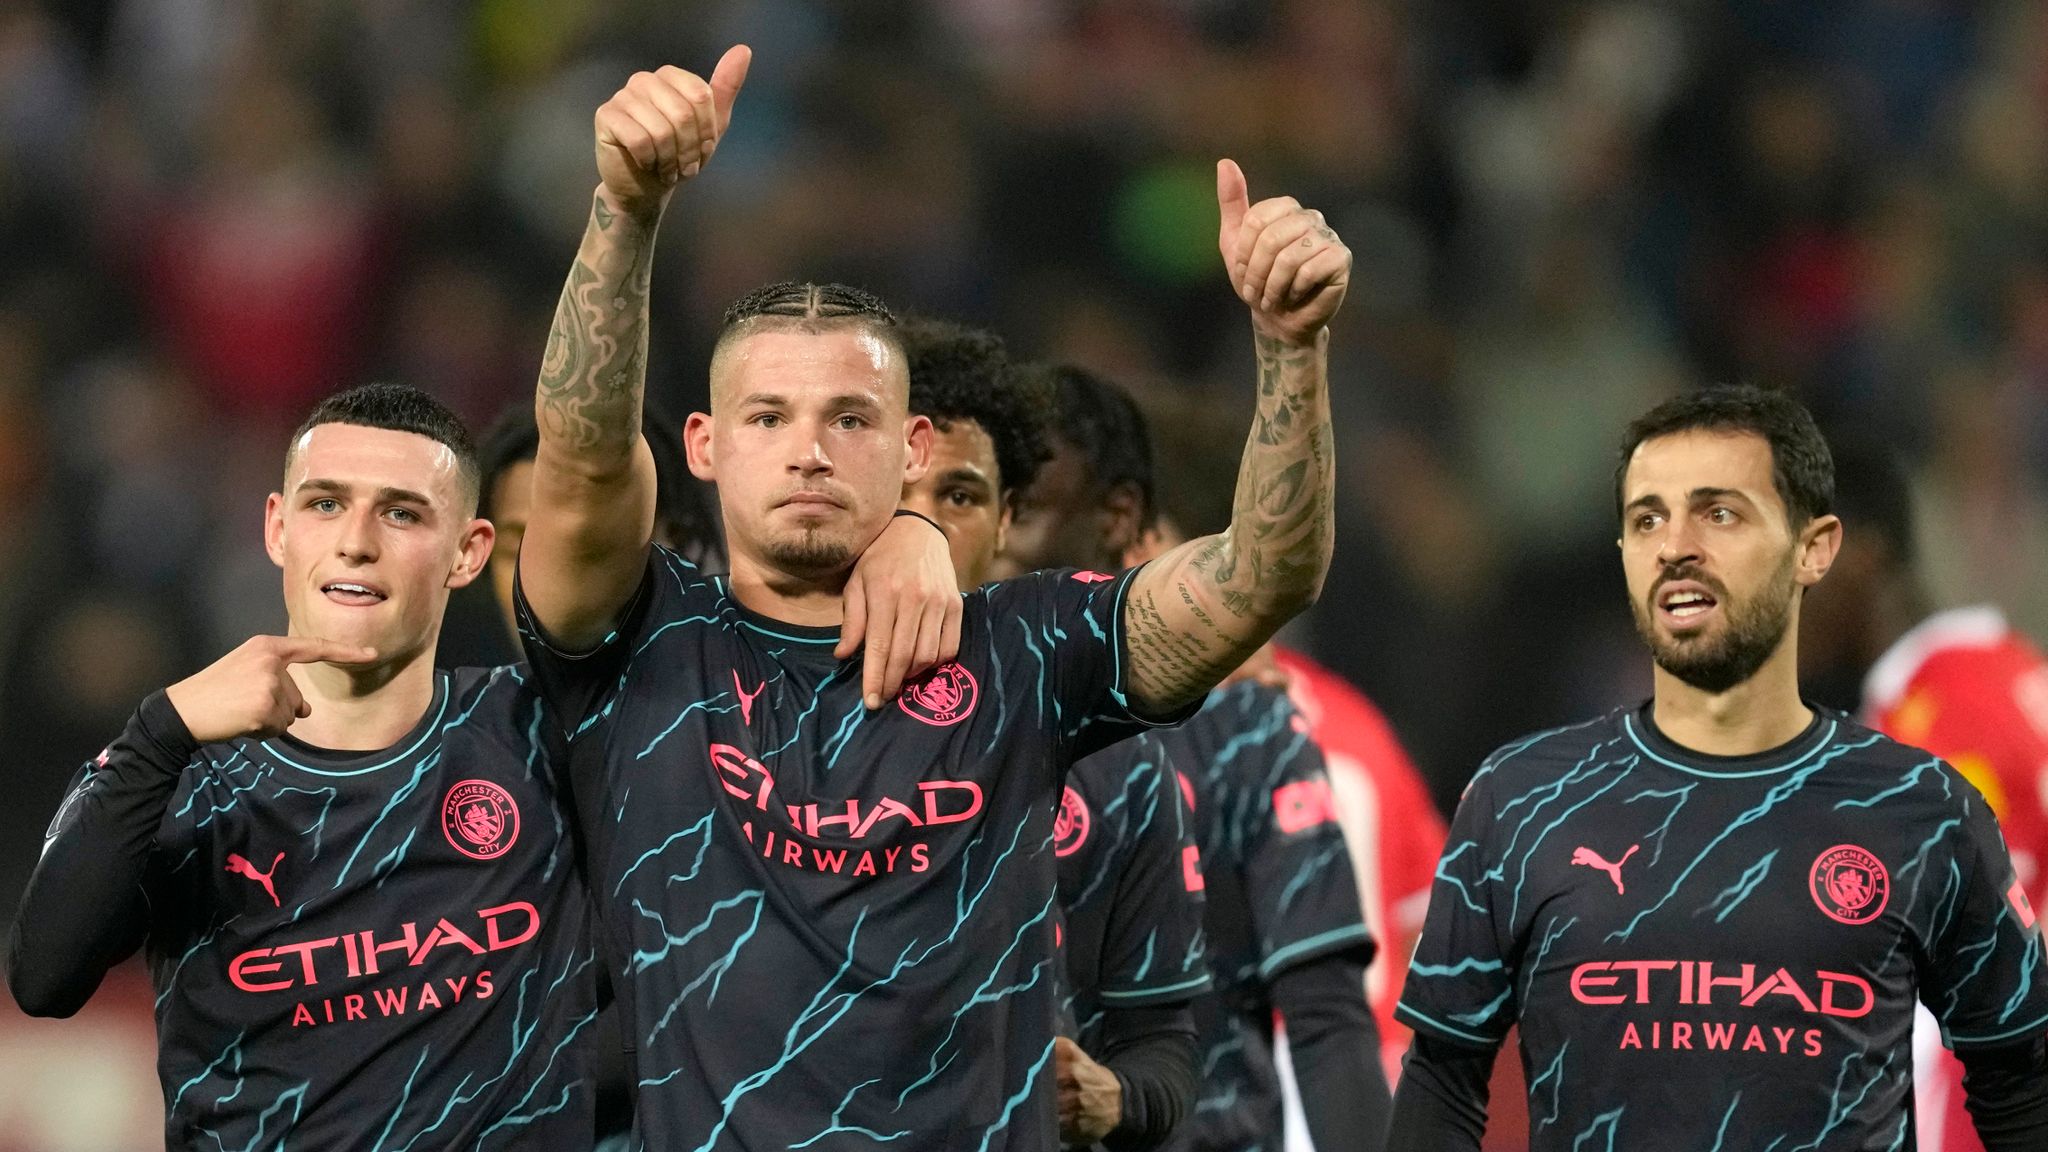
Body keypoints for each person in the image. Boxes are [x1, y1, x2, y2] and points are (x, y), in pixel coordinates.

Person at [513, 48, 1348, 1149]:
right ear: (704, 448)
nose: (808, 451)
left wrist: (1289, 351)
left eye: (846, 420)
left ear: (908, 447)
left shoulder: (1026, 649)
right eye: (768, 419)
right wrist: (624, 210)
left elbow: (1261, 577)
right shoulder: (641, 644)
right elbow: (579, 465)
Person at [1389, 386, 2048, 1150]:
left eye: (1719, 512)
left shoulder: (1925, 806)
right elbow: (1442, 1081)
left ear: (1816, 547)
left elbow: (2020, 1083)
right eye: (1647, 519)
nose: (1675, 545)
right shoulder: (1520, 799)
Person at [7, 384, 601, 1149]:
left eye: (402, 512)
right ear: (278, 528)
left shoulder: (541, 733)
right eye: (325, 504)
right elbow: (44, 978)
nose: (356, 540)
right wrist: (162, 730)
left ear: (469, 551)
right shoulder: (175, 768)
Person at [1002, 362, 1390, 1151]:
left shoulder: (1243, 726)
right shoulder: (911, 710)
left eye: (1025, 508)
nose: (999, 539)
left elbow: (1326, 1015)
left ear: (1122, 521)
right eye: (976, 502)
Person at [895, 315, 1209, 1151]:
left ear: (1006, 522)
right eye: (899, 495)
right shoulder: (740, 706)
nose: (923, 527)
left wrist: (1111, 1095)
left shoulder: (1117, 756)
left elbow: (1164, 1047)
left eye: (958, 496)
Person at [1800, 439, 2048, 1152]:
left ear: (1864, 554)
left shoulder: (1948, 722)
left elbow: (1986, 993)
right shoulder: (1982, 681)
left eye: (1802, 555)